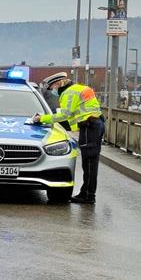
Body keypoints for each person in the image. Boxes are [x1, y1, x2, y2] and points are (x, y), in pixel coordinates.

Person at [29, 72, 104, 204]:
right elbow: (76, 113)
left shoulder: (68, 93)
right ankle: (86, 193)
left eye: (52, 87)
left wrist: (42, 118)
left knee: (89, 163)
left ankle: (88, 195)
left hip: (89, 126)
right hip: (95, 124)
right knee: (90, 162)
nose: (53, 91)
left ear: (58, 84)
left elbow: (64, 115)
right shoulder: (78, 88)